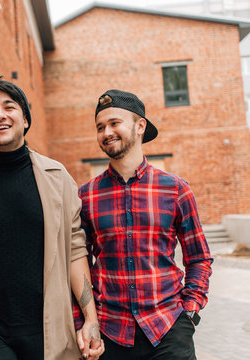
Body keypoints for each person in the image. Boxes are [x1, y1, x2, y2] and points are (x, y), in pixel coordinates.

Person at [0, 76, 104, 360]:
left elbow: (75, 249)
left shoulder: (58, 178)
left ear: (25, 119)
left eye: (9, 107)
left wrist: (90, 318)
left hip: (46, 328)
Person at [77, 89, 213, 360]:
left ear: (140, 126)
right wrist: (81, 320)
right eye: (100, 127)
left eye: (115, 123)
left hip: (168, 330)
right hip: (109, 335)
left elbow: (199, 258)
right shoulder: (85, 196)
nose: (106, 132)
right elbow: (77, 259)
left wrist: (190, 314)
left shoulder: (176, 189)